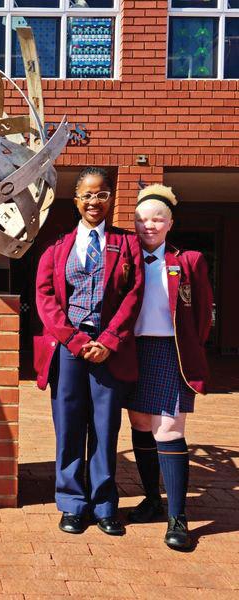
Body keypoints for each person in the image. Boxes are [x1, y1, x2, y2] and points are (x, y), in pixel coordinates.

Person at [34, 167, 144, 536]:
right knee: (68, 427)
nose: (94, 201)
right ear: (76, 199)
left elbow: (134, 296)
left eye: (101, 194)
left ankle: (104, 504)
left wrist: (109, 341)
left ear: (110, 198)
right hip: (69, 349)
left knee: (104, 428)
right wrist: (77, 342)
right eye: (87, 195)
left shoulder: (127, 244)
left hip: (108, 349)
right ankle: (72, 503)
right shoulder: (57, 248)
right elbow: (45, 300)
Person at [126, 184, 212, 551]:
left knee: (169, 430)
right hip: (133, 350)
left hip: (170, 351)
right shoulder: (125, 258)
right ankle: (152, 500)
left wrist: (190, 348)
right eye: (142, 219)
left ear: (170, 223)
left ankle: (178, 517)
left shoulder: (189, 260)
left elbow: (203, 313)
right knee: (140, 424)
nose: (149, 225)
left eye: (157, 219)